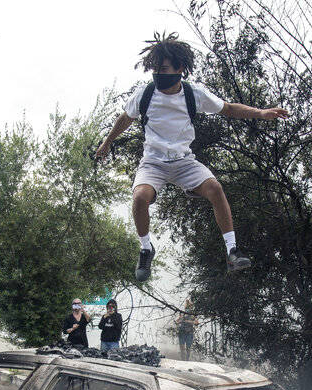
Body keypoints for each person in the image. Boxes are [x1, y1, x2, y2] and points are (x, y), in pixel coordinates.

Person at [95, 33, 289, 282]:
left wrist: (261, 113)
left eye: (163, 69)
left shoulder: (193, 94)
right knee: (140, 197)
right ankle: (146, 249)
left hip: (185, 161)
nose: (158, 74)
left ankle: (232, 251)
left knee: (216, 188)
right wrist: (106, 142)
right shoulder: (145, 94)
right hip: (153, 162)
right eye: (155, 69)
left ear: (180, 69)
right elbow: (125, 118)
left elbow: (228, 108)